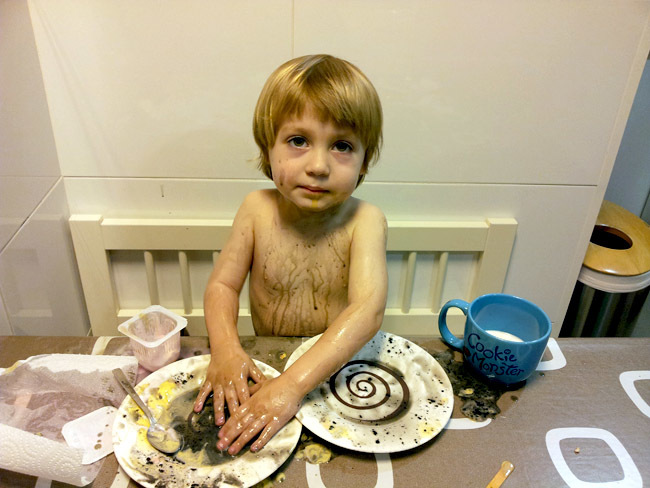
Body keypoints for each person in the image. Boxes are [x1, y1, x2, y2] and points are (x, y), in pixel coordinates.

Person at [192, 54, 388, 455]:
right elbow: (223, 285)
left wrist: (294, 385)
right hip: (263, 366)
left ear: (365, 159)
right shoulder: (255, 209)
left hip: (331, 375)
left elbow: (367, 310)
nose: (318, 165)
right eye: (298, 141)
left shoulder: (365, 220)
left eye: (342, 146)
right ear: (269, 147)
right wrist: (227, 348)